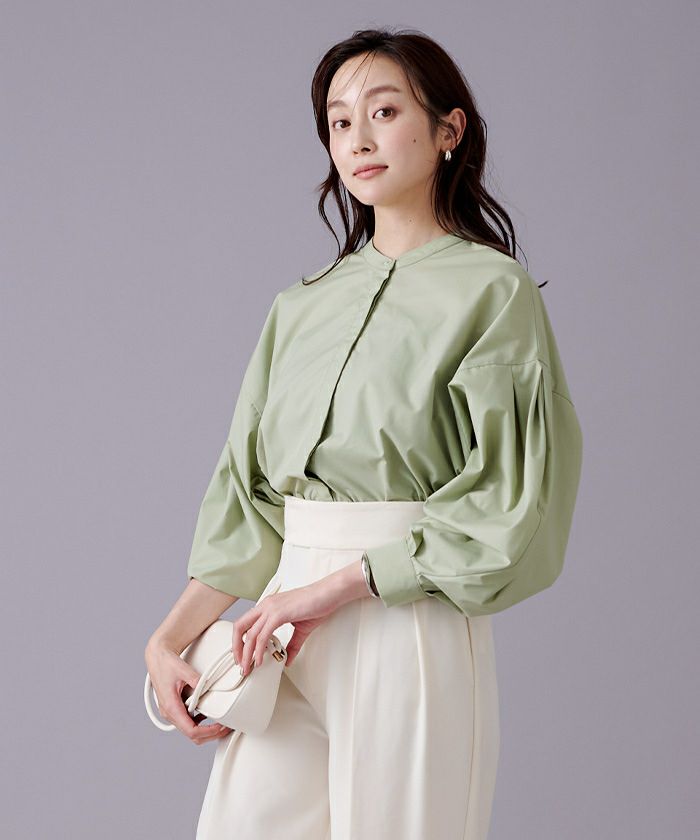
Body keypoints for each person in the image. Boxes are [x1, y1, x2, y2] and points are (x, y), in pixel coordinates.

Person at [145, 26, 583, 840]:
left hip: (406, 616)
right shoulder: (299, 306)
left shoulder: (493, 292)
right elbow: (252, 501)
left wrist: (335, 588)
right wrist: (168, 639)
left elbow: (511, 503)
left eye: (384, 112)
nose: (358, 139)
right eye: (340, 121)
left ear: (449, 130)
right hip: (281, 622)